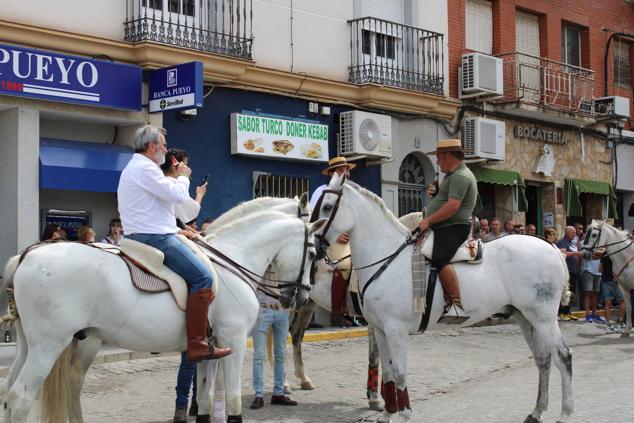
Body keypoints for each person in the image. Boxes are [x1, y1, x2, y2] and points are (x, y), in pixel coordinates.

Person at [117, 125, 231, 365]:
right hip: (154, 238)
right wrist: (183, 177)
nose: (166, 150)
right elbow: (178, 197)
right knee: (202, 277)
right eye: (163, 145)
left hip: (151, 232)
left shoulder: (137, 168)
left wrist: (178, 229)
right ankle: (198, 343)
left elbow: (154, 210)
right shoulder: (146, 168)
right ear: (152, 147)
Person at [160, 148, 209, 423]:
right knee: (203, 277)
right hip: (168, 239)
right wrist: (190, 185)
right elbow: (185, 208)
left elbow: (182, 213)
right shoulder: (170, 183)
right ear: (177, 165)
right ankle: (196, 332)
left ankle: (188, 403)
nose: (187, 169)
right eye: (185, 165)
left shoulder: (156, 181)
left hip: (173, 232)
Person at [417, 139, 477, 323]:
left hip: (453, 227)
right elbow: (446, 201)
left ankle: (456, 306)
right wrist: (436, 195)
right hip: (445, 225)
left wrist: (428, 220)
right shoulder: (453, 175)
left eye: (439, 158)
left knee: (440, 257)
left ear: (449, 157)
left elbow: (452, 207)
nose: (437, 162)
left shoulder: (460, 176)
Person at [310, 156, 358, 327]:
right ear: (332, 174)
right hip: (330, 240)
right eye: (341, 170)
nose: (346, 173)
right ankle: (338, 312)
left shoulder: (349, 193)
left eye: (347, 169)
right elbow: (317, 220)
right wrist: (336, 236)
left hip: (351, 238)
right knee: (345, 264)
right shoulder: (322, 192)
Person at [250, 270, 298, 410]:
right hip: (263, 309)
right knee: (259, 355)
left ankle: (278, 392)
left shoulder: (285, 260)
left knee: (281, 354)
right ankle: (258, 394)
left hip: (282, 310)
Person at [557, 226, 583, 320]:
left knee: (571, 293)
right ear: (567, 232)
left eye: (575, 232)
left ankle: (568, 312)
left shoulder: (573, 243)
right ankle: (562, 313)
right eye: (572, 232)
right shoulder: (561, 242)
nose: (574, 234)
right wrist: (577, 253)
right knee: (565, 293)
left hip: (575, 270)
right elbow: (564, 254)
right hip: (567, 271)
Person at [600, 256, 625, 332]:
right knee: (622, 301)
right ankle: (620, 324)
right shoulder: (617, 254)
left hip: (605, 281)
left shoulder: (604, 255)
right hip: (616, 281)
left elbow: (600, 269)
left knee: (608, 303)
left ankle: (608, 326)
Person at [582, 252, 605, 323]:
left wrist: (597, 254)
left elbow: (604, 253)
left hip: (598, 272)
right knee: (588, 293)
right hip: (588, 271)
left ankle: (594, 314)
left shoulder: (601, 244)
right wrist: (599, 254)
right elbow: (586, 255)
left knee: (595, 294)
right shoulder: (586, 243)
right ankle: (588, 314)